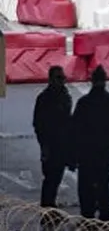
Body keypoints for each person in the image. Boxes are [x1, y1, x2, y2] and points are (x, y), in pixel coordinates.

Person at [70, 66, 109, 221]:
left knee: (86, 183)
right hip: (104, 150)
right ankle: (105, 213)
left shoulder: (84, 102)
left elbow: (75, 128)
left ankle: (87, 213)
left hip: (87, 150)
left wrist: (74, 152)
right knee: (103, 182)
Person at [32, 66, 73, 210]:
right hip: (50, 143)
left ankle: (50, 205)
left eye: (63, 78)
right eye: (59, 78)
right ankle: (47, 208)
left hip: (62, 143)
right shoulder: (45, 98)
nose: (62, 81)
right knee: (50, 178)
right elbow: (39, 124)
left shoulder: (65, 96)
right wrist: (44, 145)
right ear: (51, 79)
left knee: (56, 178)